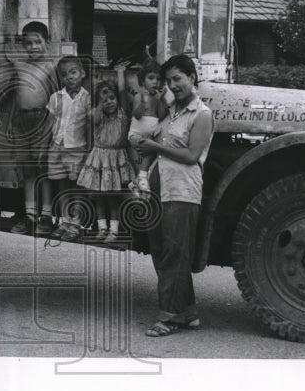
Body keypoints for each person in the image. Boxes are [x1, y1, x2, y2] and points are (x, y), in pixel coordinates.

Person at [135, 54, 213, 336]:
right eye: (169, 81)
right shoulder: (171, 111)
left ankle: (168, 317)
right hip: (160, 188)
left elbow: (192, 155)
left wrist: (154, 146)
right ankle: (187, 312)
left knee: (174, 254)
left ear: (192, 77)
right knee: (161, 251)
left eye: (177, 79)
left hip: (183, 191)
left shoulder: (201, 114)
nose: (173, 85)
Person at [6, 21, 59, 236]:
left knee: (43, 168)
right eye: (28, 43)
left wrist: (50, 126)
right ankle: (29, 216)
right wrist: (11, 120)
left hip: (43, 119)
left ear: (47, 42)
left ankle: (46, 216)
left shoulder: (51, 66)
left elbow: (56, 98)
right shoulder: (20, 65)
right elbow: (14, 96)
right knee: (27, 171)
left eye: (38, 42)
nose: (33, 47)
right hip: (21, 121)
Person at [76, 79, 134, 242]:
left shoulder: (122, 114)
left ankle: (113, 231)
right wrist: (99, 102)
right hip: (100, 159)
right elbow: (94, 117)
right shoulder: (98, 116)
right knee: (99, 196)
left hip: (115, 159)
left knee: (113, 196)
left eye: (112, 98)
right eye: (104, 100)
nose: (109, 102)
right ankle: (102, 228)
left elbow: (122, 91)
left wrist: (120, 73)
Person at [45, 55, 91, 241]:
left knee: (76, 187)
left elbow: (89, 126)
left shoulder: (87, 98)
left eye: (73, 72)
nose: (69, 77)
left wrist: (89, 150)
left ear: (82, 73)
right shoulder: (56, 98)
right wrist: (44, 147)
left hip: (77, 149)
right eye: (65, 75)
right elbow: (49, 124)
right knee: (62, 185)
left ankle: (76, 223)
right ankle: (64, 221)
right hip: (56, 148)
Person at [128, 58, 168, 195]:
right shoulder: (139, 96)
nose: (155, 82)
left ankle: (140, 179)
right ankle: (140, 178)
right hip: (135, 135)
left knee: (151, 150)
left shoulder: (158, 99)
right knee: (138, 156)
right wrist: (143, 104)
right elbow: (137, 115)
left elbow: (162, 115)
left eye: (158, 79)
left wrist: (160, 99)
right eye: (151, 78)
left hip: (150, 137)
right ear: (143, 81)